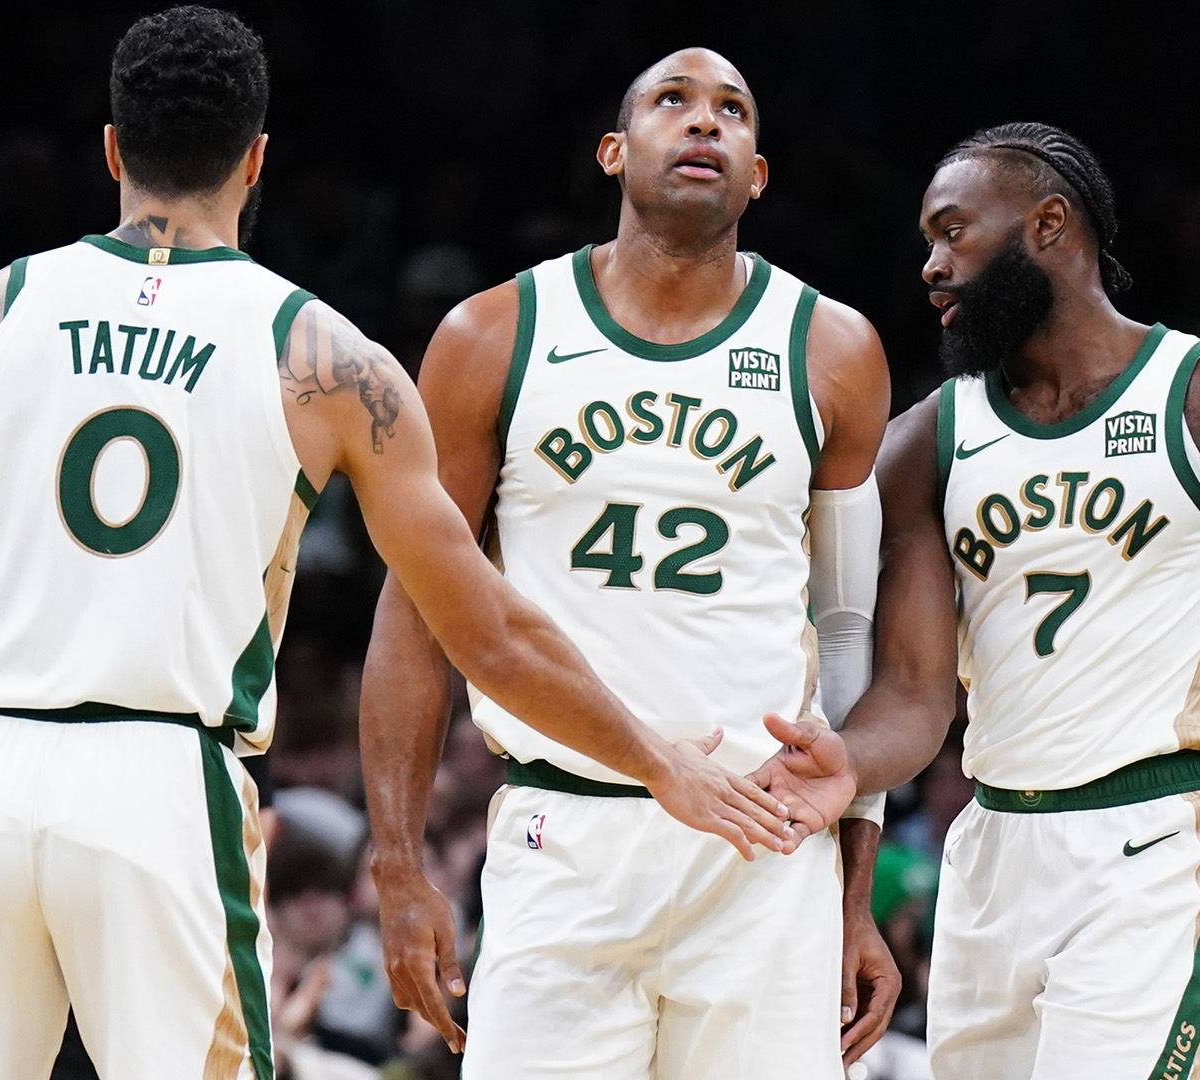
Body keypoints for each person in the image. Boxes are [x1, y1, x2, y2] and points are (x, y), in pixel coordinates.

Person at [0, 11, 791, 1079]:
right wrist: (657, 760)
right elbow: (482, 628)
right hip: (158, 783)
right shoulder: (323, 354)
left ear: (113, 149)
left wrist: (13, 736)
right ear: (257, 161)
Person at [755, 122, 1200, 1079]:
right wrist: (846, 827)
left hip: (1158, 834)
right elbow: (914, 692)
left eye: (952, 232)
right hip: (992, 849)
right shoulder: (927, 443)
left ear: (1049, 224)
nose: (932, 267)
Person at [358, 47, 898, 1078]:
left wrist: (855, 885)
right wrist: (398, 860)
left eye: (732, 111)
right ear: (614, 151)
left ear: (759, 172)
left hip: (765, 843)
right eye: (672, 103)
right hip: (565, 830)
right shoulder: (490, 335)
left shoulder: (833, 347)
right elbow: (414, 615)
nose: (704, 124)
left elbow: (845, 628)